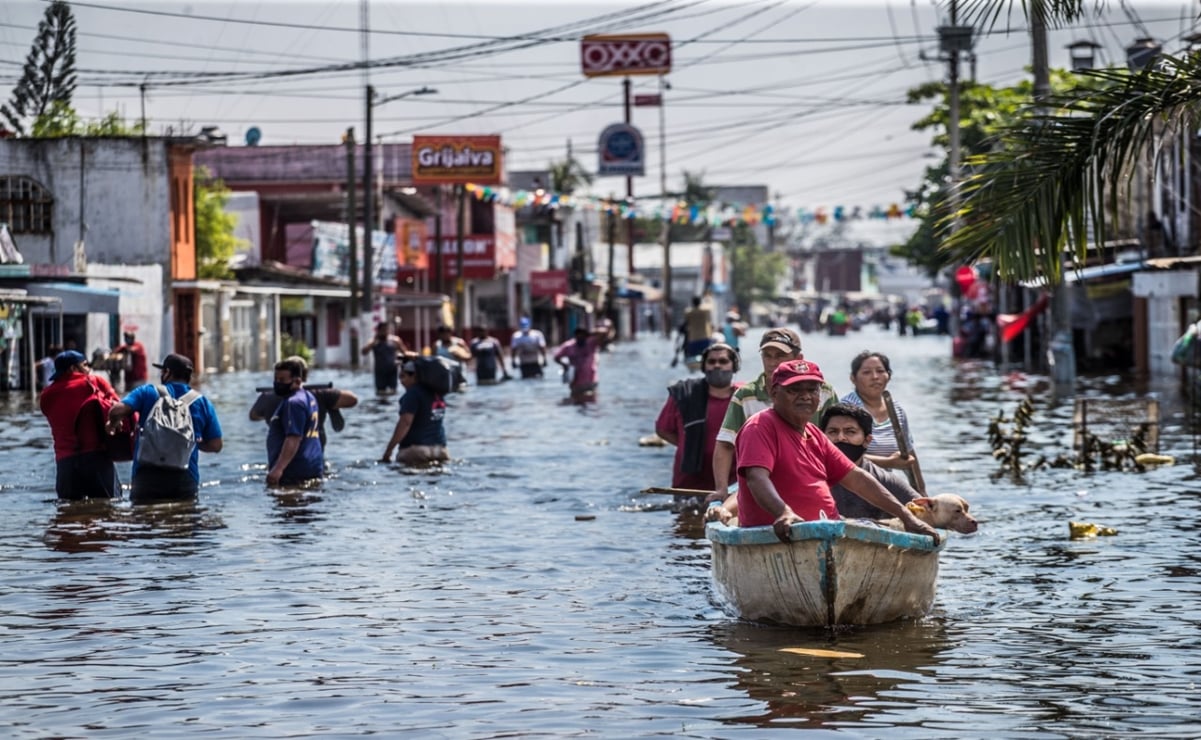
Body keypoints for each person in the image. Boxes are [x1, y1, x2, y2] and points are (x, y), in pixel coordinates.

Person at [727, 359, 937, 543]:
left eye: (812, 390)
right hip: (778, 538)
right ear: (774, 393)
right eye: (794, 390)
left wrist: (906, 517)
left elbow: (857, 479)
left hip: (826, 533)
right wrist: (783, 512)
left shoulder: (815, 434)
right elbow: (756, 478)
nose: (806, 397)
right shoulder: (760, 427)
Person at [706, 402, 921, 524]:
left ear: (867, 441)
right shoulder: (806, 468)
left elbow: (921, 508)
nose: (841, 438)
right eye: (833, 432)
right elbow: (752, 489)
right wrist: (724, 509)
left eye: (850, 432)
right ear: (823, 437)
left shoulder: (882, 479)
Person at [709, 328, 838, 504]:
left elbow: (835, 443)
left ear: (798, 359)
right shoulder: (745, 395)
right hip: (761, 478)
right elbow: (725, 444)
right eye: (767, 356)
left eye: (779, 356)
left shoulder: (823, 392)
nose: (772, 362)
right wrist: (721, 489)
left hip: (812, 478)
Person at [107, 353, 223, 503]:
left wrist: (113, 423)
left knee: (145, 520)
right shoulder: (202, 402)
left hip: (146, 476)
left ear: (167, 373)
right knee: (183, 520)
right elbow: (216, 445)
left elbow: (116, 411)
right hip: (185, 477)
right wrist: (190, 441)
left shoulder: (147, 392)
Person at [654, 343, 742, 492]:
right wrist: (688, 444)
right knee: (687, 515)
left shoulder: (744, 398)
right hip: (689, 483)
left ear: (734, 366)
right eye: (711, 362)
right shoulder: (684, 395)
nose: (717, 366)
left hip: (733, 482)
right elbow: (663, 429)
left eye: (723, 361)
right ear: (704, 367)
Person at [39, 350, 122, 500]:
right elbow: (119, 409)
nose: (88, 368)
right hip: (95, 459)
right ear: (73, 368)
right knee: (108, 510)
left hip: (65, 464)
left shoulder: (46, 395)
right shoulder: (93, 382)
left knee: (67, 514)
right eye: (85, 365)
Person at [250, 355, 357, 451]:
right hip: (311, 460)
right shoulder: (320, 394)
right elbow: (352, 399)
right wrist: (331, 403)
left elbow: (253, 415)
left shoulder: (266, 397)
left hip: (277, 459)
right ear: (305, 376)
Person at [841, 350, 917, 473]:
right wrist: (889, 462)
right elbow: (841, 455)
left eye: (880, 371)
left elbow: (909, 453)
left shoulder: (897, 410)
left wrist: (921, 490)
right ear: (853, 378)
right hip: (852, 483)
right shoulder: (846, 409)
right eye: (866, 372)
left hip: (885, 483)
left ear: (889, 376)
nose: (875, 377)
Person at [265, 358, 324, 486]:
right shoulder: (309, 397)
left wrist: (278, 469)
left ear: (297, 381)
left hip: (293, 472)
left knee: (288, 505)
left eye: (282, 380)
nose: (277, 383)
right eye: (275, 379)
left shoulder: (294, 403)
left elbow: (293, 438)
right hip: (311, 469)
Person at [381, 360, 450, 465]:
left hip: (416, 451)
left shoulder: (412, 394)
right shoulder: (438, 393)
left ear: (414, 376)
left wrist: (388, 451)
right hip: (441, 450)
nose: (401, 381)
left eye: (403, 376)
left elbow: (405, 422)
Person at [554, 323, 614, 404]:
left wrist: (591, 333)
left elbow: (604, 332)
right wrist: (564, 365)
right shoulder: (569, 346)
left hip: (591, 381)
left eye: (583, 336)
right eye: (579, 336)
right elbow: (556, 357)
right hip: (576, 383)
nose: (581, 338)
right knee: (577, 402)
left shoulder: (591, 343)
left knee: (592, 402)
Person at [361, 321, 408, 394]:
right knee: (381, 392)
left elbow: (405, 353)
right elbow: (363, 352)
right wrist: (373, 342)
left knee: (393, 391)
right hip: (380, 372)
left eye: (386, 329)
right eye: (382, 330)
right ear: (378, 331)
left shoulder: (395, 340)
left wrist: (401, 363)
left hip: (392, 370)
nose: (384, 332)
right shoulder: (374, 341)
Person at [677, 296, 714, 363]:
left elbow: (685, 324)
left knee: (691, 356)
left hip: (693, 339)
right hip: (705, 339)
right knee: (706, 356)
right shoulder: (705, 311)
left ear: (692, 303)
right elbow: (710, 305)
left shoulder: (688, 312)